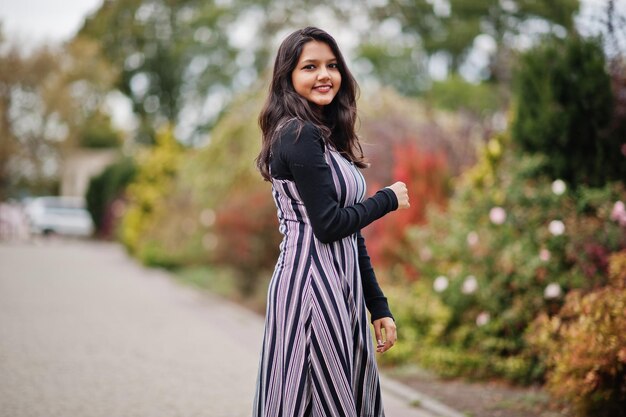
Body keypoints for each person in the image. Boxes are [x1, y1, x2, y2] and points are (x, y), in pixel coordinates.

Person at [253, 27, 410, 417]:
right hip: (310, 290)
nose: (325, 75)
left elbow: (350, 234)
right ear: (288, 76)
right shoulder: (297, 133)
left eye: (332, 65)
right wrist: (387, 199)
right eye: (310, 66)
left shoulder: (324, 137)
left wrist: (378, 306)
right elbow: (328, 224)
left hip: (342, 291)